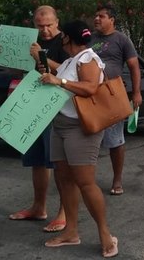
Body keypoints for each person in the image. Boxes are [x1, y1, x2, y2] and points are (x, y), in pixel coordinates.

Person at [38, 21, 118, 257]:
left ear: (67, 39)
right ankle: (71, 231)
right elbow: (60, 76)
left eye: (63, 38)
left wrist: (59, 81)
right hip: (61, 124)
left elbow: (90, 88)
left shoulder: (88, 59)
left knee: (85, 182)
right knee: (64, 180)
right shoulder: (71, 60)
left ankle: (105, 233)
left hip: (79, 127)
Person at [0, 5, 68, 232]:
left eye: (49, 25)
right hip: (31, 103)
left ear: (57, 22)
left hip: (57, 106)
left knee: (59, 163)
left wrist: (41, 57)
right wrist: (1, 54)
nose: (44, 30)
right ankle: (39, 207)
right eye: (40, 25)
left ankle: (64, 212)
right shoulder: (30, 41)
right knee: (36, 159)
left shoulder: (65, 42)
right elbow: (18, 70)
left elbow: (70, 71)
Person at [92, 6, 141, 195]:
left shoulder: (121, 40)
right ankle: (87, 180)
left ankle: (117, 180)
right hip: (91, 95)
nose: (97, 19)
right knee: (89, 140)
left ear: (112, 19)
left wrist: (136, 93)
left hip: (112, 94)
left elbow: (134, 67)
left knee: (115, 140)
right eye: (95, 16)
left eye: (101, 16)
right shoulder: (90, 39)